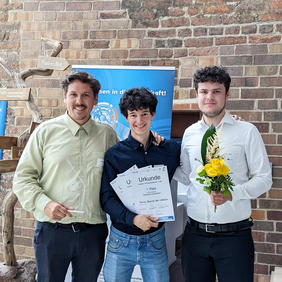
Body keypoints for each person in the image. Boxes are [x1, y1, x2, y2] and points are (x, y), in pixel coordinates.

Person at [13, 71, 120, 282]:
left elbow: (121, 175)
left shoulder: (108, 135)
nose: (79, 101)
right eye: (73, 95)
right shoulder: (45, 132)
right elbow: (23, 178)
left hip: (93, 233)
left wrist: (149, 140)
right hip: (52, 234)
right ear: (65, 98)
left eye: (86, 95)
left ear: (95, 100)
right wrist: (44, 204)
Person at [173, 66, 272, 282]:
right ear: (196, 94)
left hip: (234, 237)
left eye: (216, 91)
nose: (209, 97)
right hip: (195, 235)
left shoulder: (247, 132)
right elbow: (185, 175)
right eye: (204, 91)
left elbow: (264, 179)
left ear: (227, 94)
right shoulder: (189, 134)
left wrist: (231, 193)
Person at [100, 87, 180, 282]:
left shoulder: (170, 150)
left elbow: (198, 147)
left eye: (144, 114)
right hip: (121, 241)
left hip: (156, 241)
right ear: (126, 118)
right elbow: (106, 198)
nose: (139, 121)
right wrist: (133, 219)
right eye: (133, 115)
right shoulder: (114, 154)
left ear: (152, 114)